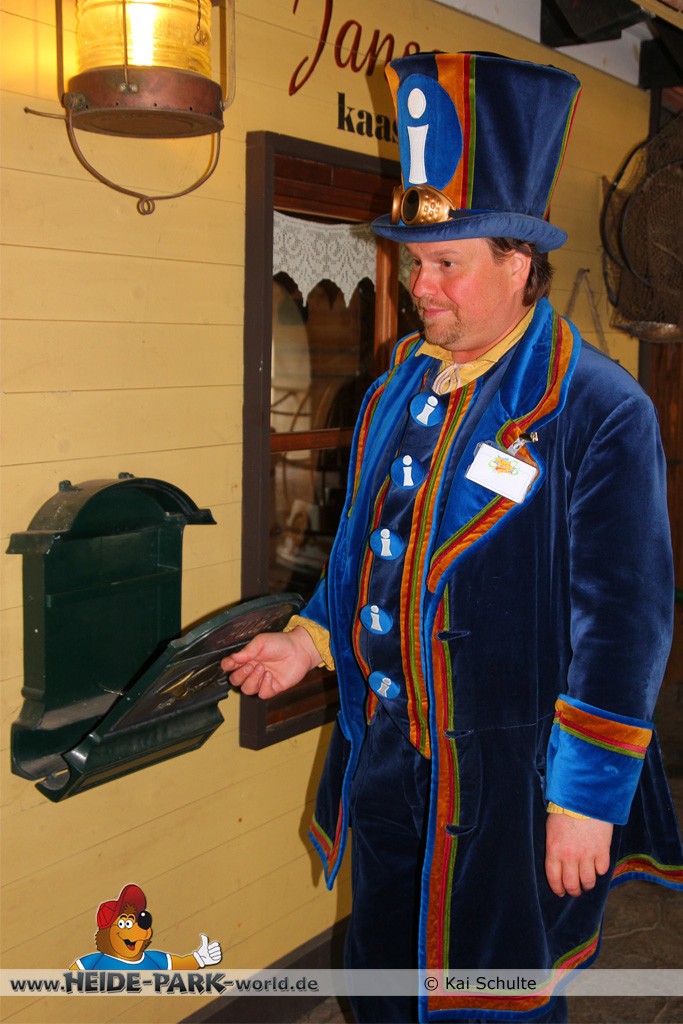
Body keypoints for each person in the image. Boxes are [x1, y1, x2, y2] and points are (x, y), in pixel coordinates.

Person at [223, 52, 683, 1023]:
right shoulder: (399, 383)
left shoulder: (598, 409)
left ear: (517, 264)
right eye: (411, 259)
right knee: (383, 983)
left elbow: (624, 624)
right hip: (389, 765)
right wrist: (307, 641)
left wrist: (585, 797)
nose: (416, 285)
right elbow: (365, 552)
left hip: (515, 787)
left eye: (445, 264)